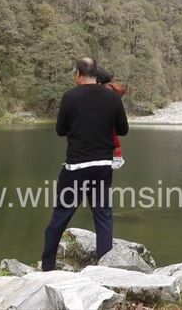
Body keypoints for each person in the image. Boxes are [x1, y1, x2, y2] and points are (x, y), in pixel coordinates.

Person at [41, 57, 129, 271]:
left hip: (76, 168)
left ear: (78, 74)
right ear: (96, 73)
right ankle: (104, 269)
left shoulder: (70, 97)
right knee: (103, 217)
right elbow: (123, 129)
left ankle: (48, 265)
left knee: (61, 215)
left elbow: (60, 130)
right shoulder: (112, 98)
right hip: (102, 167)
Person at [96, 67, 127, 169]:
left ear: (98, 80)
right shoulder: (110, 88)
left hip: (107, 120)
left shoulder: (106, 90)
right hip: (110, 120)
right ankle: (118, 157)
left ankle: (118, 158)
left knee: (113, 139)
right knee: (114, 138)